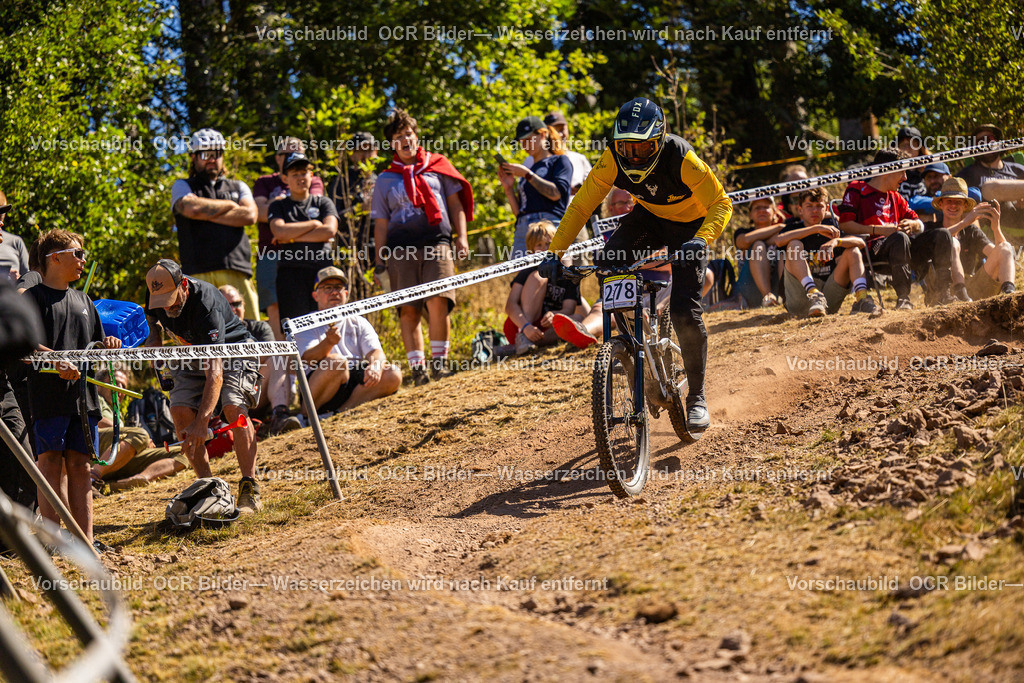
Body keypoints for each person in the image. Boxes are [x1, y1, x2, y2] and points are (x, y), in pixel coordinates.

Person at [541, 97, 733, 434]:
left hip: (692, 229)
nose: (631, 157)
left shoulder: (682, 158)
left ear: (659, 142)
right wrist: (555, 253)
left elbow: (721, 203)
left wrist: (702, 239)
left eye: (641, 150)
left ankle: (697, 396)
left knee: (685, 313)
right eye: (625, 148)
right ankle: (633, 346)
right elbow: (581, 206)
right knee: (607, 263)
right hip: (650, 219)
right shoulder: (612, 159)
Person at [143, 259, 264, 513]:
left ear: (183, 285)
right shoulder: (155, 289)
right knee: (179, 412)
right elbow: (151, 318)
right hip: (191, 354)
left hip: (233, 352)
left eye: (172, 299)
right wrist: (154, 341)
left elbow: (216, 374)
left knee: (234, 407)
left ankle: (249, 487)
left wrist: (202, 423)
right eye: (161, 302)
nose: (167, 307)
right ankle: (209, 489)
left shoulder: (205, 305)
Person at [26, 229, 122, 547]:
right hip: (46, 397)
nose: (83, 261)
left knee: (81, 463)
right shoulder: (33, 298)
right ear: (55, 258)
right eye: (77, 254)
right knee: (50, 461)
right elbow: (23, 346)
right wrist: (55, 361)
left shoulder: (85, 301)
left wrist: (107, 345)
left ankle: (87, 542)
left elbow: (93, 346)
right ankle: (54, 544)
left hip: (84, 400)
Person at [371, 109, 472, 385]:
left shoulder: (438, 166)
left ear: (417, 137)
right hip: (400, 250)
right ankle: (419, 371)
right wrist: (380, 260)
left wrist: (461, 237)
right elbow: (381, 222)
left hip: (438, 243)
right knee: (409, 308)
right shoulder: (384, 179)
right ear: (392, 144)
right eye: (398, 136)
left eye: (408, 134)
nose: (404, 139)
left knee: (439, 300)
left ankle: (440, 365)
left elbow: (455, 204)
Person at [838, 149, 950, 310]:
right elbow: (845, 224)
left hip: (901, 245)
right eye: (902, 172)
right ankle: (903, 299)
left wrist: (914, 225)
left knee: (942, 234)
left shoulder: (896, 196)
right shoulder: (857, 188)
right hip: (872, 248)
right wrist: (878, 230)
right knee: (900, 238)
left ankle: (943, 293)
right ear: (886, 171)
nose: (905, 178)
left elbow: (918, 222)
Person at [170, 128, 259, 319]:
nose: (211, 159)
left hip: (236, 269)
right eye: (205, 153)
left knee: (252, 337)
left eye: (216, 153)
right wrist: (229, 206)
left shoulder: (239, 186)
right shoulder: (182, 185)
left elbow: (250, 215)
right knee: (199, 336)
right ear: (193, 157)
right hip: (197, 273)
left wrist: (205, 212)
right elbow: (191, 209)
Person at [294, 267, 401, 413]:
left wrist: (375, 366)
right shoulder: (306, 323)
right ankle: (308, 415)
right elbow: (306, 359)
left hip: (353, 383)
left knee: (392, 372)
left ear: (345, 293)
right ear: (315, 295)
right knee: (337, 362)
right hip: (320, 385)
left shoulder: (359, 321)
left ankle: (342, 413)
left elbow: (376, 352)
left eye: (338, 288)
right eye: (327, 288)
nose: (334, 293)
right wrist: (328, 343)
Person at [252, 136, 325, 339]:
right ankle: (284, 357)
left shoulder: (315, 179)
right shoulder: (264, 182)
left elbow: (317, 212)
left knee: (314, 300)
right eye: (286, 153)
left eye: (298, 151)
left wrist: (286, 231)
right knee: (273, 304)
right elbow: (259, 213)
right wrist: (310, 223)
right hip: (270, 251)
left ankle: (312, 352)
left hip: (306, 254)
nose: (292, 156)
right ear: (277, 158)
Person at [771, 188, 875, 316]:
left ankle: (862, 299)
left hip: (828, 300)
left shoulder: (832, 228)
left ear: (826, 209)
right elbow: (779, 241)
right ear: (800, 210)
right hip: (799, 300)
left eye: (819, 206)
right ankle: (813, 293)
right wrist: (815, 229)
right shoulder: (793, 227)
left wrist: (837, 241)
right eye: (809, 206)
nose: (814, 210)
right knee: (794, 244)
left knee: (852, 250)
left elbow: (861, 243)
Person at [90, 368, 188, 492]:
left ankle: (138, 479)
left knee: (185, 452)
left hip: (116, 458)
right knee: (141, 434)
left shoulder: (117, 411)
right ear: (99, 386)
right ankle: (92, 476)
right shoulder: (94, 398)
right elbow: (89, 419)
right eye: (115, 382)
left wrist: (138, 444)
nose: (120, 388)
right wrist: (137, 436)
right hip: (95, 449)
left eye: (123, 386)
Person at [268, 151, 340, 322]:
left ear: (311, 175)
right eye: (294, 174)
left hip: (322, 272)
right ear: (285, 178)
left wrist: (289, 237)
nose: (300, 178)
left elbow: (329, 231)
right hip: (290, 272)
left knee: (328, 324)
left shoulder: (323, 202)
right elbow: (278, 231)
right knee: (295, 327)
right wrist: (314, 225)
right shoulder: (278, 206)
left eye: (303, 173)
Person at [219, 285, 299, 435]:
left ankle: (280, 416)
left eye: (236, 304)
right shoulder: (212, 335)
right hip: (227, 400)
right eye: (226, 305)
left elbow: (270, 353)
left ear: (243, 305)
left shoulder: (259, 328)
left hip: (255, 392)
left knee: (276, 358)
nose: (233, 309)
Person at [497, 221, 583, 356]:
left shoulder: (568, 274)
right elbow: (510, 305)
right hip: (520, 325)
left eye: (549, 244)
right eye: (539, 245)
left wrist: (555, 315)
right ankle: (522, 339)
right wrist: (526, 327)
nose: (545, 249)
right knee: (539, 277)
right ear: (531, 251)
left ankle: (524, 346)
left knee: (578, 318)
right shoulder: (528, 271)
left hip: (545, 327)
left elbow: (569, 308)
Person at [498, 116, 574, 258]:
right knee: (522, 277)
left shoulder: (560, 161)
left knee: (552, 276)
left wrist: (527, 175)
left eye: (528, 140)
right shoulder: (529, 168)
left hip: (549, 227)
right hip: (523, 229)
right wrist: (508, 188)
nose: (525, 145)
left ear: (542, 134)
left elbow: (556, 193)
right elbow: (520, 212)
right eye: (521, 142)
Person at [928, 177, 1016, 299]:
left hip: (973, 290)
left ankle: (1009, 296)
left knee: (1005, 247)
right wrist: (966, 221)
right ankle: (961, 295)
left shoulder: (971, 231)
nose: (953, 205)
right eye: (949, 201)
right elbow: (939, 238)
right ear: (941, 204)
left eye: (958, 202)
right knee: (952, 242)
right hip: (942, 293)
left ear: (965, 206)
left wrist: (996, 228)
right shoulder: (931, 229)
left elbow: (999, 254)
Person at [957, 124, 1024, 243]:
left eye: (989, 139)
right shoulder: (968, 174)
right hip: (991, 222)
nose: (985, 144)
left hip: (1020, 219)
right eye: (980, 142)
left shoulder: (1018, 169)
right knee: (989, 187)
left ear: (998, 142)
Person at [327, 132, 379, 272]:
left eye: (369, 150)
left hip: (378, 253)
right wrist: (359, 208)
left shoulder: (381, 181)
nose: (366, 155)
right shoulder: (341, 182)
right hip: (349, 253)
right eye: (361, 150)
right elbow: (332, 220)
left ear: (376, 151)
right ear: (351, 154)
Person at [734, 196, 787, 308]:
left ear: (774, 212)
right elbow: (745, 241)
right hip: (749, 288)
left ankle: (785, 298)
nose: (762, 210)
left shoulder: (784, 231)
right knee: (758, 246)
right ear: (750, 215)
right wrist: (780, 226)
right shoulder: (742, 232)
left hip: (777, 285)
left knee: (786, 253)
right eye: (757, 208)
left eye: (766, 207)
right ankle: (767, 296)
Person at [529, 111, 594, 195]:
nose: (559, 134)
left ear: (568, 129)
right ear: (544, 134)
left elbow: (596, 190)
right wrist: (561, 189)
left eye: (562, 129)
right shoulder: (532, 159)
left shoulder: (580, 159)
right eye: (554, 130)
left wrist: (584, 190)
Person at [0, 192, 29, 284]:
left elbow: (30, 279)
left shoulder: (16, 242)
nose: (0, 223)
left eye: (1, 214)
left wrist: (20, 281)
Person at [896, 126, 931, 200]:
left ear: (920, 148)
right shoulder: (890, 172)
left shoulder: (930, 170)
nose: (907, 148)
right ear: (897, 148)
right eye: (903, 145)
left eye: (912, 144)